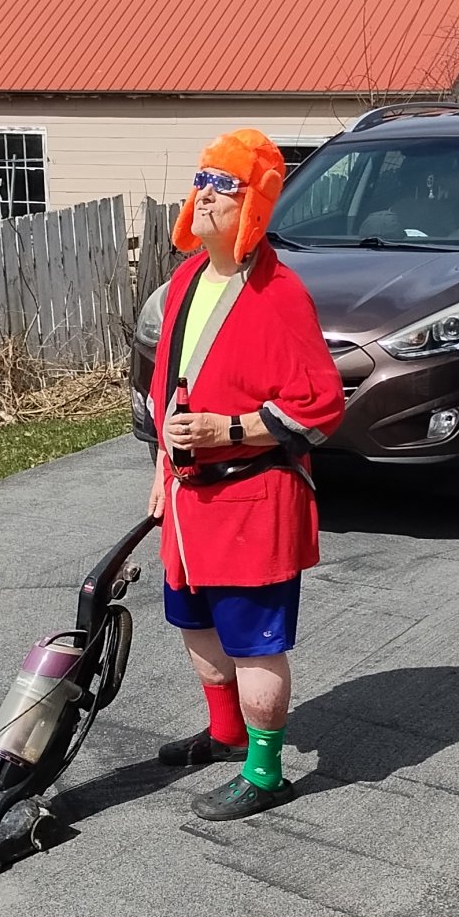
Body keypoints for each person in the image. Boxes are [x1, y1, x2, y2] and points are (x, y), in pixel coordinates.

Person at [146, 128, 345, 821]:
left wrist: (224, 430)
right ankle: (226, 733)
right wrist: (163, 465)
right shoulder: (184, 280)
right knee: (193, 623)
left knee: (255, 644)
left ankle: (265, 773)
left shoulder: (280, 294)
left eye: (222, 184)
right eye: (201, 179)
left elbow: (321, 406)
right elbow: (166, 384)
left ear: (253, 203)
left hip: (253, 496)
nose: (203, 194)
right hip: (188, 499)